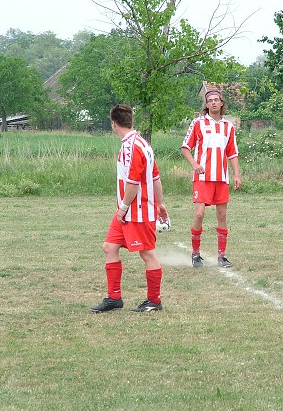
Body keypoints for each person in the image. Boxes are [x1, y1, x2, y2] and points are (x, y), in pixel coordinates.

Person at [91, 104, 168, 313]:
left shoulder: (133, 146)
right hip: (127, 211)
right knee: (109, 246)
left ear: (113, 124)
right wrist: (161, 203)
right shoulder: (142, 143)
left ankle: (154, 301)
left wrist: (123, 208)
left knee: (147, 254)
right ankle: (114, 298)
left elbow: (133, 182)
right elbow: (156, 177)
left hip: (137, 210)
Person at [181, 89, 241, 268]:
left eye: (217, 100)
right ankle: (196, 254)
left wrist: (237, 175)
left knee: (222, 215)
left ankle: (222, 256)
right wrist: (194, 164)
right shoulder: (198, 123)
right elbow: (185, 148)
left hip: (221, 178)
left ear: (222, 103)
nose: (214, 103)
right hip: (202, 177)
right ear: (206, 105)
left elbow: (232, 153)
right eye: (210, 100)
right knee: (199, 214)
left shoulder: (228, 127)